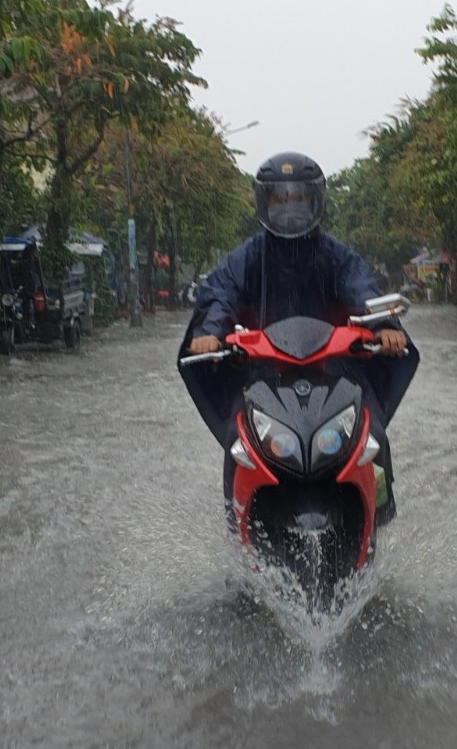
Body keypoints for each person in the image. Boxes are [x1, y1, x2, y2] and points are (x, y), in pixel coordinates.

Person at [180, 151, 419, 520]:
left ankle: (381, 512)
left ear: (315, 201)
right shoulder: (247, 257)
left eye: (298, 198)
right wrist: (210, 332)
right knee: (236, 437)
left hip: (336, 373)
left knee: (373, 432)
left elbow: (364, 289)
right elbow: (219, 295)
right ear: (264, 202)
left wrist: (384, 327)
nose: (289, 207)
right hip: (263, 376)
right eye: (280, 198)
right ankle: (236, 521)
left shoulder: (337, 255)